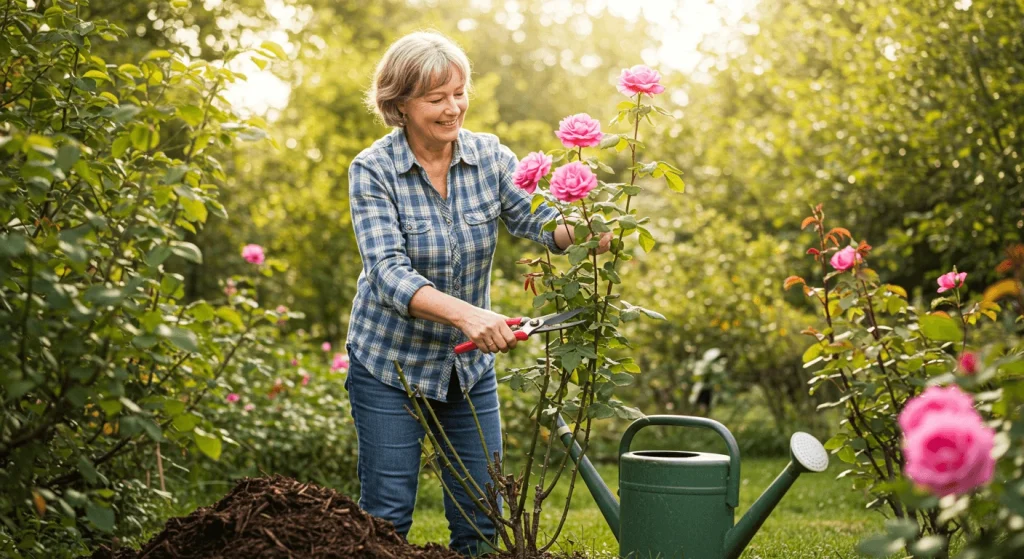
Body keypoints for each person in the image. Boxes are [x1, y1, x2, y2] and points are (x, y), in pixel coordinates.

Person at [343, 30, 612, 556]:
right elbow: (387, 271)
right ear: (399, 104)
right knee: (387, 519)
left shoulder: (490, 158)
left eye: (460, 93)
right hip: (388, 364)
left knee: (482, 518)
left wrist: (590, 225)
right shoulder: (372, 170)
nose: (453, 109)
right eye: (436, 98)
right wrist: (468, 316)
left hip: (465, 370)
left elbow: (541, 224)